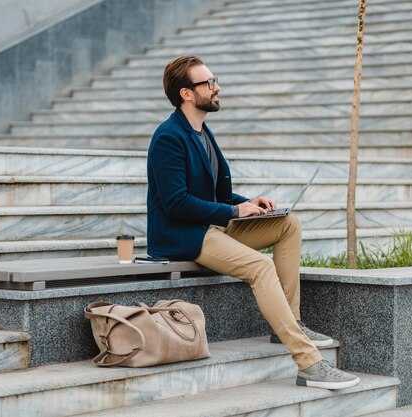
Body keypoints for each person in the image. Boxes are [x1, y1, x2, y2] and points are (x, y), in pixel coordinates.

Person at [146, 55, 360, 390]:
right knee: (260, 267)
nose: (217, 88)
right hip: (184, 235)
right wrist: (233, 213)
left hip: (212, 225)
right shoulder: (168, 138)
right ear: (187, 94)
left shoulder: (202, 131)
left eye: (215, 80)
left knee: (288, 225)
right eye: (209, 83)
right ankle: (309, 364)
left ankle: (288, 324)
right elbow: (176, 203)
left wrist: (245, 203)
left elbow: (216, 194)